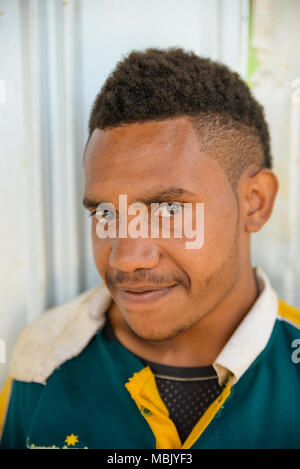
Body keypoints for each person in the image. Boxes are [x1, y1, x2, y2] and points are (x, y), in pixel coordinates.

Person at [1, 48, 300, 450]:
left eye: (168, 209)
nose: (124, 256)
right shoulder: (43, 359)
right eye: (105, 212)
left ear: (255, 202)